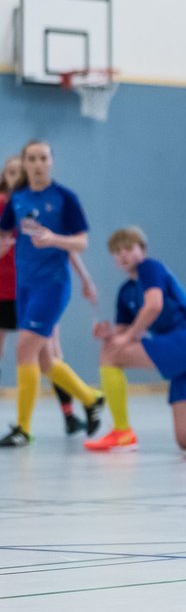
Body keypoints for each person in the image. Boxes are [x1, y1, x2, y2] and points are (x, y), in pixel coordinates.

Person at [84, 226, 186, 451]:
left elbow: (154, 305)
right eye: (117, 250)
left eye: (128, 248)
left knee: (109, 354)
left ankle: (122, 432)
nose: (122, 254)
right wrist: (109, 334)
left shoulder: (150, 268)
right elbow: (124, 335)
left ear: (142, 250)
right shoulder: (125, 292)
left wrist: (125, 338)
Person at [0, 141, 103, 447]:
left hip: (52, 285)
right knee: (45, 361)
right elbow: (5, 233)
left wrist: (55, 239)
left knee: (24, 352)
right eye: (31, 158)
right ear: (25, 163)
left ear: (51, 162)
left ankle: (23, 428)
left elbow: (81, 242)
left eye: (42, 158)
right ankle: (91, 397)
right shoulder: (18, 199)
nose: (37, 164)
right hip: (24, 287)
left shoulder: (64, 198)